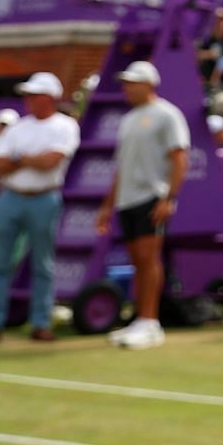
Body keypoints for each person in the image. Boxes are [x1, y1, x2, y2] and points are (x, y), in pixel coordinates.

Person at [0, 73, 79, 344]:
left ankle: (40, 323)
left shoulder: (65, 126)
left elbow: (51, 161)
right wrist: (29, 159)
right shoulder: (17, 128)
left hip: (45, 198)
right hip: (10, 198)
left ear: (50, 98)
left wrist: (17, 158)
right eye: (28, 95)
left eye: (34, 94)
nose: (28, 99)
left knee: (42, 264)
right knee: (0, 264)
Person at [97, 61, 189, 350]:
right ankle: (141, 319)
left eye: (132, 83)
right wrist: (107, 205)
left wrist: (169, 198)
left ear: (149, 84)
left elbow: (179, 159)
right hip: (127, 199)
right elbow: (121, 168)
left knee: (149, 259)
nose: (126, 88)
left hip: (152, 196)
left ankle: (151, 322)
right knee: (138, 261)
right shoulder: (127, 120)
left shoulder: (167, 114)